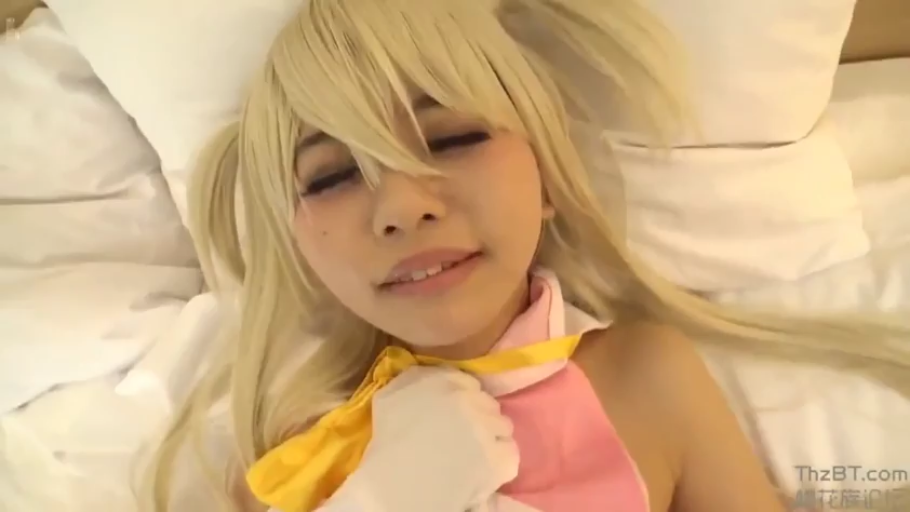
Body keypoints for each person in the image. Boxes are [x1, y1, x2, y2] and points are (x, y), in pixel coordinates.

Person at [144, 0, 910, 511]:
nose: (402, 206)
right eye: (332, 177)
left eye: (452, 138)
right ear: (296, 242)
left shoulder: (647, 377)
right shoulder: (292, 449)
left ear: (547, 177)